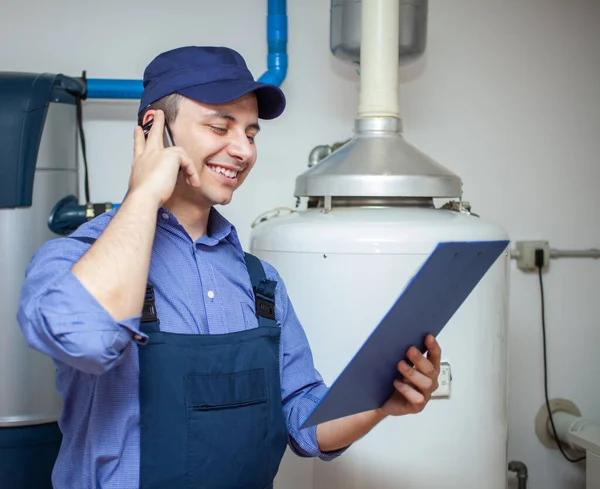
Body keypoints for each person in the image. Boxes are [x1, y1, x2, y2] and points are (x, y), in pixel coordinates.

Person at [17, 46, 442, 489]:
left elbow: (302, 418)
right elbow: (86, 339)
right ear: (153, 131)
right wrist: (144, 193)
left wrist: (379, 401)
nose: (242, 151)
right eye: (220, 127)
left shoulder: (262, 282)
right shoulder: (75, 257)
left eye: (251, 134)